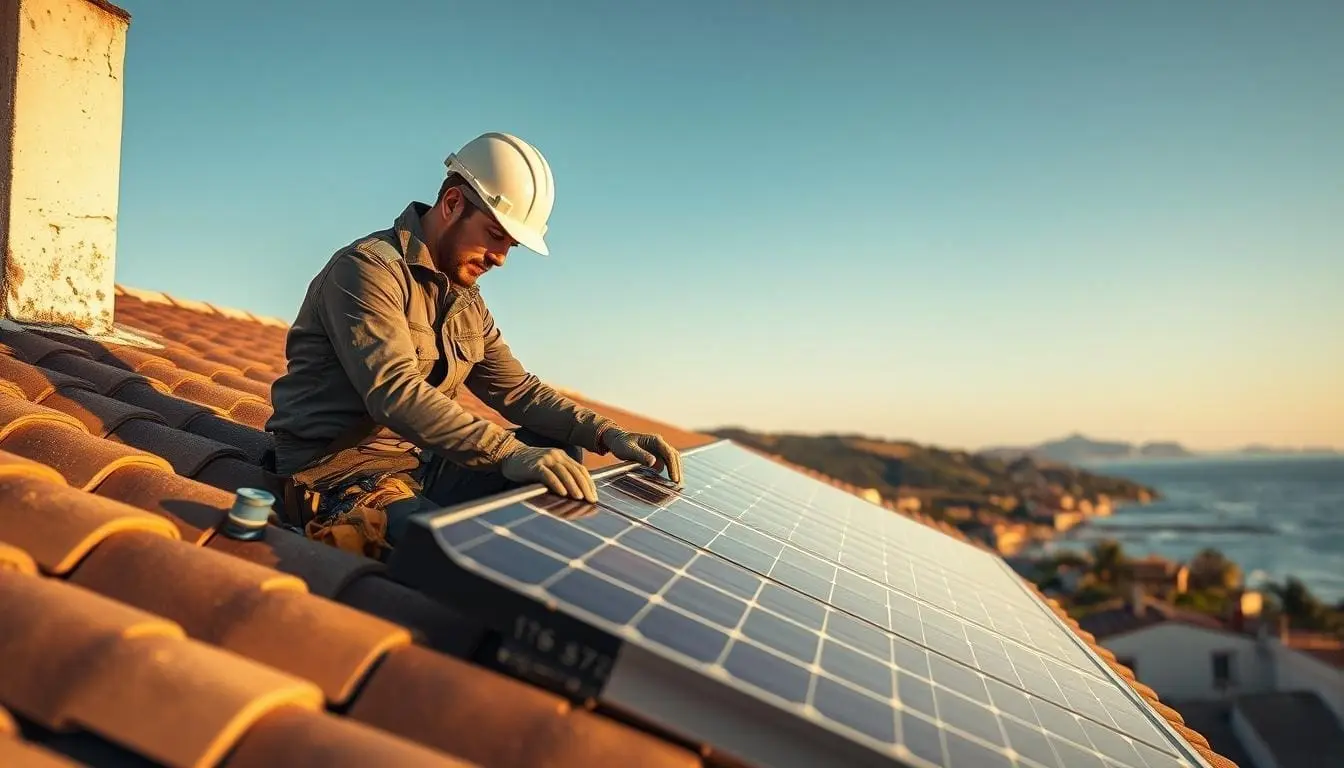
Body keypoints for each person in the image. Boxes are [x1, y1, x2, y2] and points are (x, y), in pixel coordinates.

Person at [264, 131, 682, 559]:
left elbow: (518, 391)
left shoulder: (466, 303)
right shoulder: (367, 271)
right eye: (494, 235)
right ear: (452, 205)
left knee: (556, 454)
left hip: (417, 465)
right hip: (339, 474)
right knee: (453, 554)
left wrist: (606, 433)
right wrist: (506, 452)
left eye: (511, 245)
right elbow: (395, 393)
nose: (501, 257)